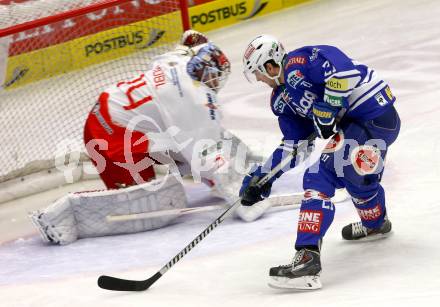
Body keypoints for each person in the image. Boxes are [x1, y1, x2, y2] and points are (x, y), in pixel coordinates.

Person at [30, 30, 255, 245]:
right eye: (216, 77)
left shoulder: (177, 61)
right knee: (146, 205)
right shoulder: (191, 98)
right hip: (109, 133)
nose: (216, 84)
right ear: (206, 70)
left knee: (193, 146)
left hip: (119, 119)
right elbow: (204, 157)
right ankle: (64, 213)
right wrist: (243, 199)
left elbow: (190, 38)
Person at [240, 34, 400, 289]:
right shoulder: (281, 100)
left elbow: (345, 71)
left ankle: (307, 260)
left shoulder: (302, 61)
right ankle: (376, 224)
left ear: (270, 65)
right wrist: (263, 176)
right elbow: (295, 145)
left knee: (319, 177)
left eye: (258, 72)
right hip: (360, 125)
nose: (259, 79)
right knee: (356, 179)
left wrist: (330, 104)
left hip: (374, 115)